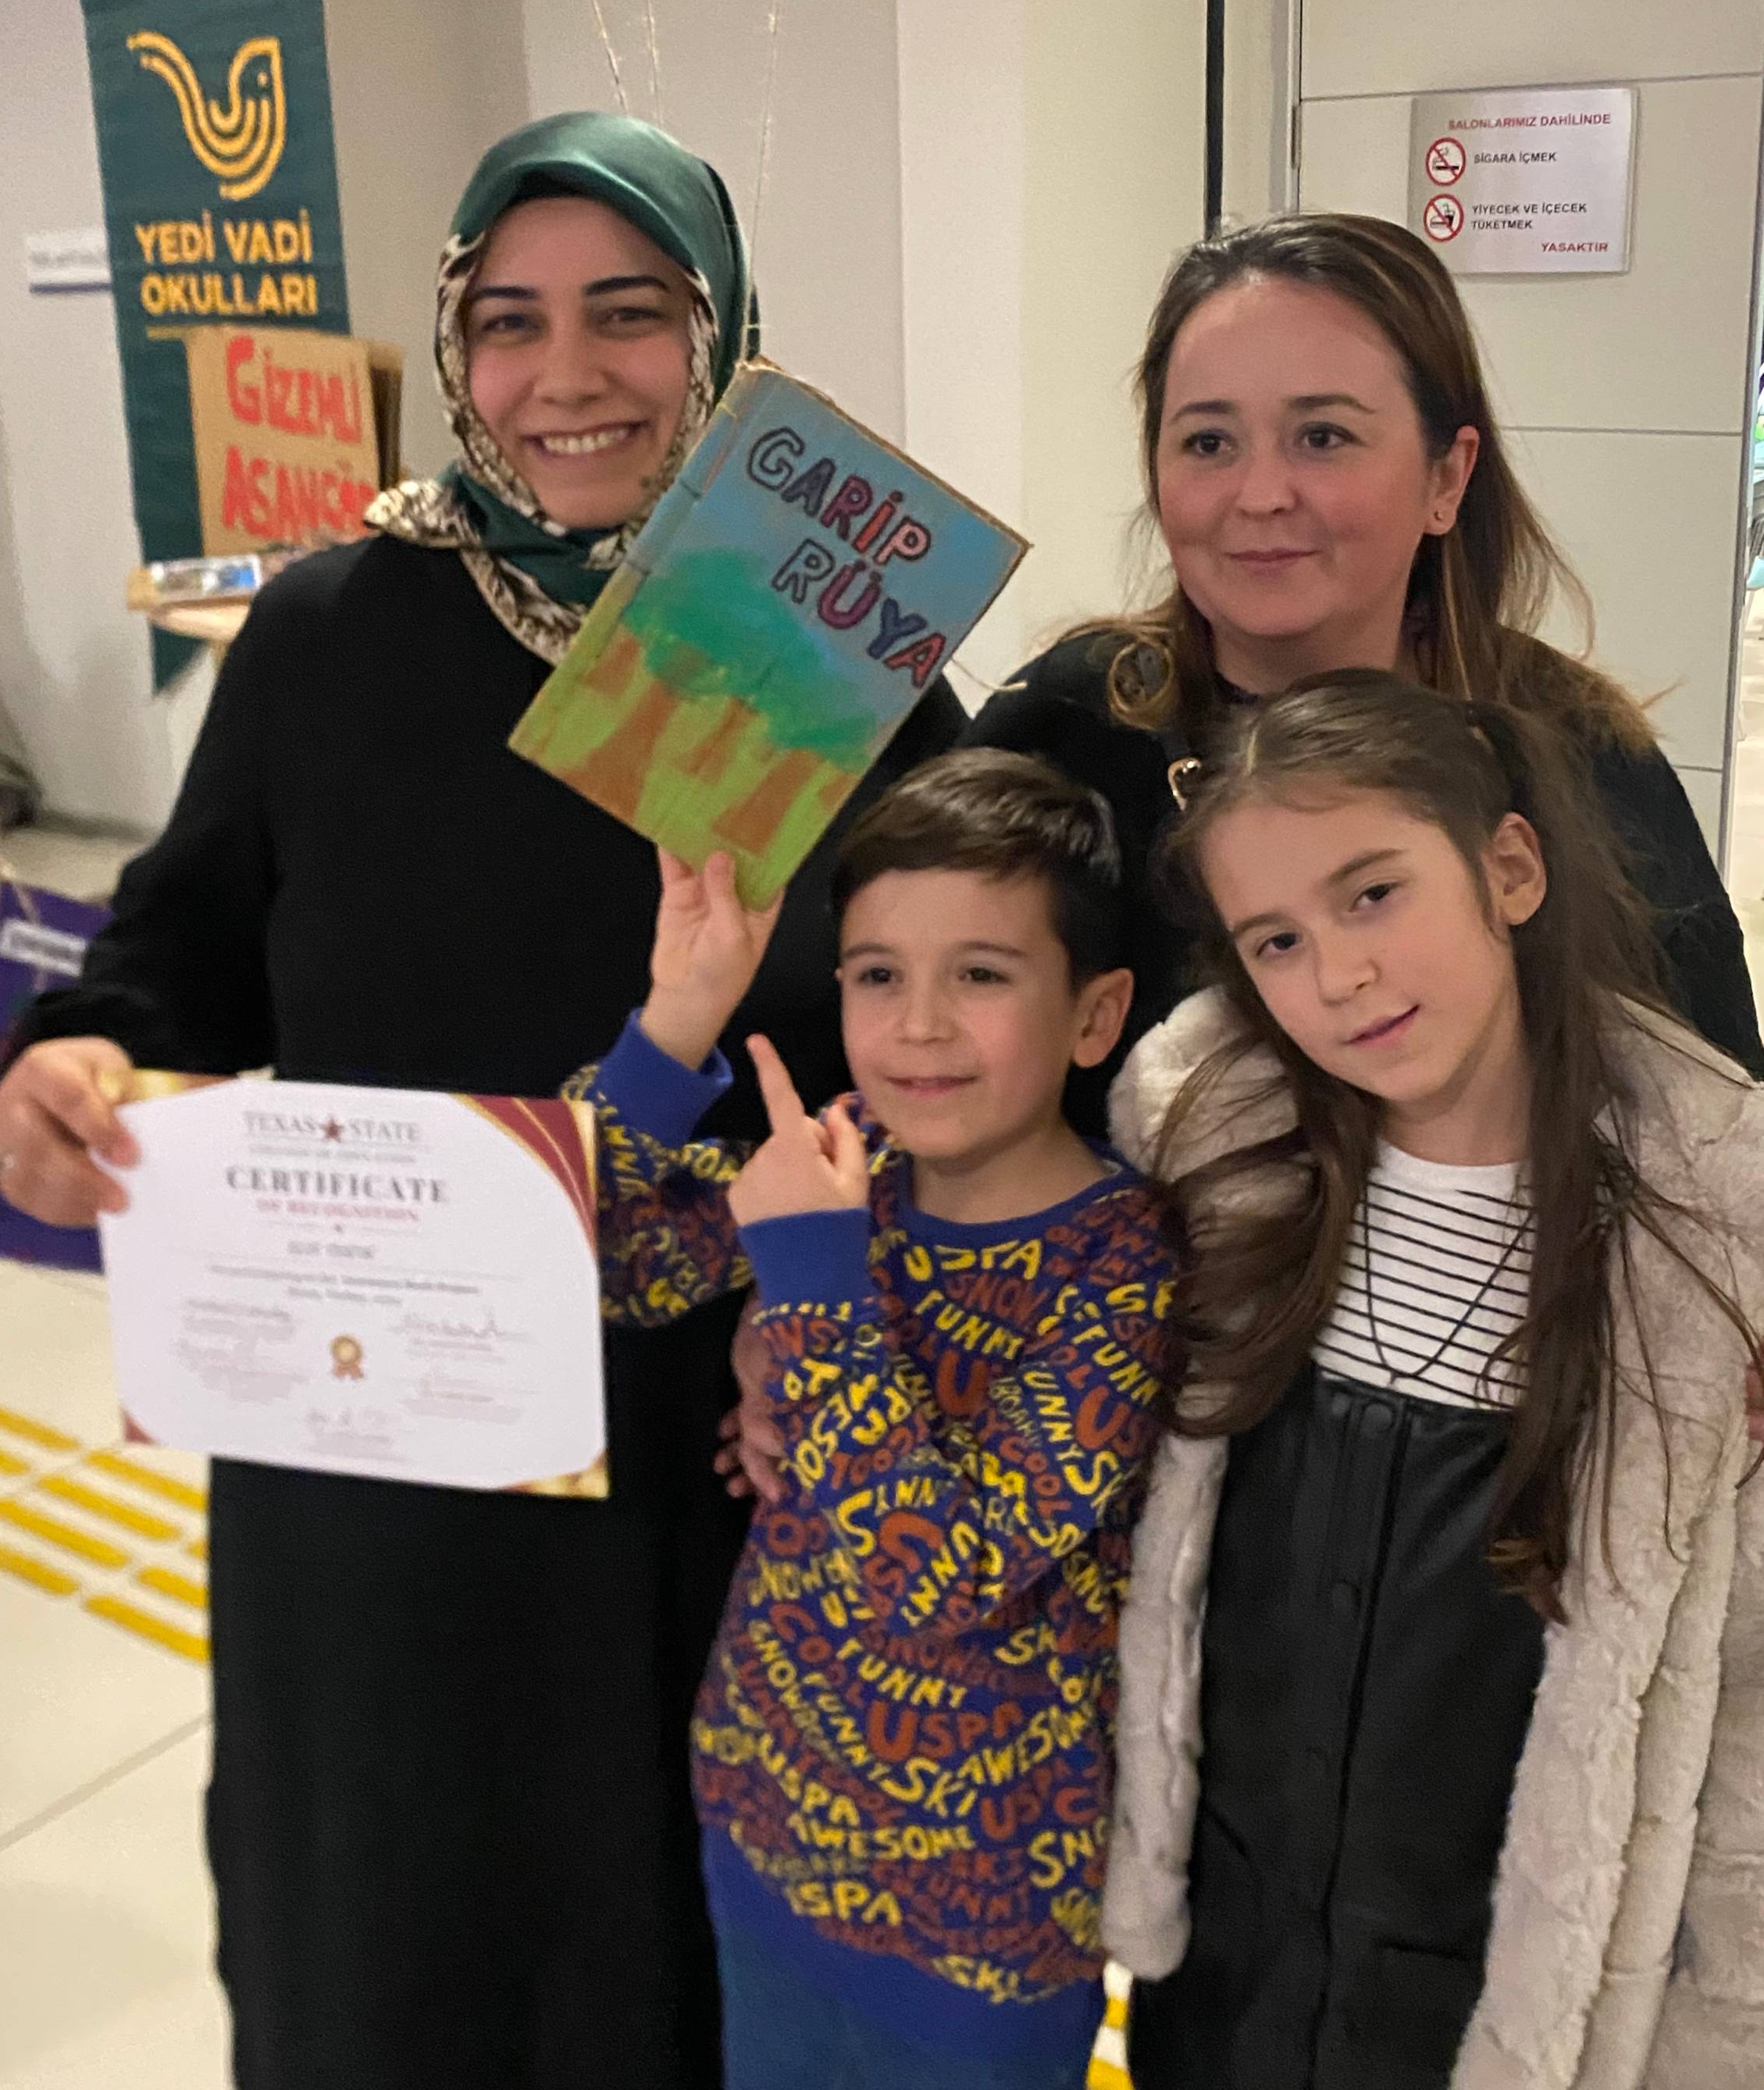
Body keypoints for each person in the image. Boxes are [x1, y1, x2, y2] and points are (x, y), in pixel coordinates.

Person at [0, 112, 964, 2090]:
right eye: (509, 322)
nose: (566, 376)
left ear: (724, 339)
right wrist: (80, 1051)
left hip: (697, 1426)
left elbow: (949, 1026)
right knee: (381, 1899)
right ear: (456, 349)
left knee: (658, 1917)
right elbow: (182, 940)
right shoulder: (337, 627)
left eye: (630, 312)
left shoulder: (814, 641)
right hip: (374, 1428)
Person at [1102, 669, 1764, 2087]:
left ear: (1506, 866)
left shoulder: (1714, 1219)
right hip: (1227, 1970)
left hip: (1500, 2004)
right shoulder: (1202, 1143)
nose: (1335, 972)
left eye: (1372, 892)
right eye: (1272, 937)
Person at [568, 748, 1174, 2090]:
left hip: (984, 1922)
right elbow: (577, 1253)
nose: (918, 1024)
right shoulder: (849, 1164)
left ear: (1094, 1011)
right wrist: (679, 1019)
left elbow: (936, 1572)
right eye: (877, 973)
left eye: (982, 972)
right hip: (759, 1824)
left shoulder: (1120, 1261)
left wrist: (811, 1290)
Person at [968, 212, 1763, 1105]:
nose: (1260, 495)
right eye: (1208, 443)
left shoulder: (1580, 756)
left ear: (1446, 478)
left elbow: (1715, 1125)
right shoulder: (1071, 726)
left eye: (1323, 437)